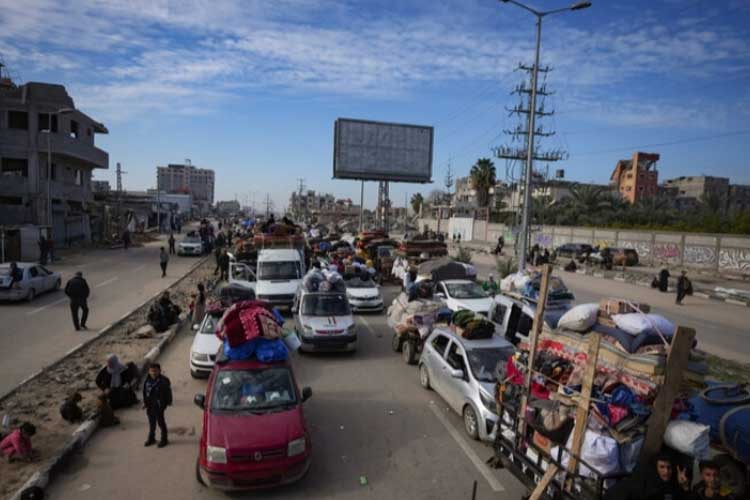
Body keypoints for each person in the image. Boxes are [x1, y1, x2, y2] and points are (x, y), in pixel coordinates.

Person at [604, 453, 691, 500]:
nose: (666, 471)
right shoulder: (645, 482)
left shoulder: (672, 485)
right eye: (662, 467)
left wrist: (685, 486)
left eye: (669, 467)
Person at [143, 363, 172, 448]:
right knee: (152, 423)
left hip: (159, 406)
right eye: (151, 371)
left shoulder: (163, 381)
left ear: (159, 371)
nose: (153, 373)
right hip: (150, 406)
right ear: (149, 371)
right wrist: (145, 403)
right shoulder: (147, 381)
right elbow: (145, 393)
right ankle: (151, 438)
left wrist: (168, 402)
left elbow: (168, 393)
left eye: (155, 371)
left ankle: (164, 439)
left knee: (161, 423)